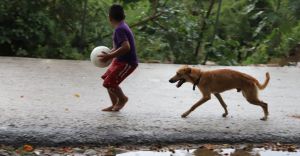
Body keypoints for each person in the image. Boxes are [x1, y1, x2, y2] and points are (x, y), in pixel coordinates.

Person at [98, 4, 138, 111]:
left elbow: (126, 47)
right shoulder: (121, 27)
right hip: (119, 60)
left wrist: (109, 56)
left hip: (128, 63)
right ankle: (114, 103)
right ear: (123, 16)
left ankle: (122, 99)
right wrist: (108, 53)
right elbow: (117, 47)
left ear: (109, 18)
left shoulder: (120, 29)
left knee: (109, 83)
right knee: (107, 80)